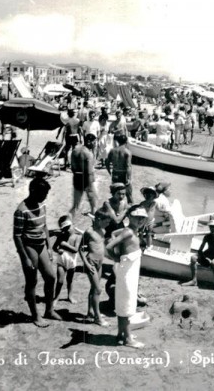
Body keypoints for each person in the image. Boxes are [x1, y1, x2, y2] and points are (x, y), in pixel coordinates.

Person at [13, 177, 60, 327]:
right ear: (33, 191)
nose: (45, 196)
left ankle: (49, 310)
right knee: (32, 281)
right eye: (43, 193)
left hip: (41, 246)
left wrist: (49, 247)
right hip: (29, 247)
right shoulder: (21, 210)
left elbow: (45, 227)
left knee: (51, 278)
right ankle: (35, 315)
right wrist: (25, 258)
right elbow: (17, 236)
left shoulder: (42, 205)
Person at [106, 205, 148, 349]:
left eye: (142, 218)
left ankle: (120, 334)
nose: (140, 220)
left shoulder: (133, 231)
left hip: (130, 271)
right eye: (137, 217)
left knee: (124, 303)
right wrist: (117, 259)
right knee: (127, 305)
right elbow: (108, 247)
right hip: (127, 272)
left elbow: (114, 234)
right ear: (130, 217)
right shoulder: (128, 232)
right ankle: (129, 339)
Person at [78, 207, 111, 326]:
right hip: (90, 262)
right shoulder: (89, 232)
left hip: (99, 263)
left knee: (93, 288)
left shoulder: (102, 231)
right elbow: (80, 249)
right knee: (98, 289)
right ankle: (97, 317)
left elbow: (102, 246)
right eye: (106, 222)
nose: (108, 224)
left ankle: (90, 312)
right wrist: (86, 264)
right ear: (99, 220)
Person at [181, 218, 214, 293]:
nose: (212, 229)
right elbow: (200, 250)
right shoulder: (207, 237)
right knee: (193, 258)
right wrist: (204, 258)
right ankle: (194, 280)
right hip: (207, 254)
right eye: (211, 227)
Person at [52, 215, 82, 304]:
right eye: (65, 228)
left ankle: (70, 296)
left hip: (72, 261)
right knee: (60, 281)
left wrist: (64, 245)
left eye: (69, 227)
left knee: (70, 280)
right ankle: (56, 298)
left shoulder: (77, 237)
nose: (67, 230)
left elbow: (75, 250)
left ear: (72, 225)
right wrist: (58, 250)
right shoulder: (61, 236)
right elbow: (54, 247)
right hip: (62, 260)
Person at [70, 133, 98, 217]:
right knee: (94, 204)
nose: (95, 144)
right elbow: (89, 171)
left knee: (75, 205)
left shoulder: (75, 151)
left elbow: (73, 167)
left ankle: (69, 222)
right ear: (89, 141)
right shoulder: (88, 154)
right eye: (94, 142)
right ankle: (95, 223)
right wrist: (90, 187)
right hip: (87, 180)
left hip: (77, 178)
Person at [105, 133, 133, 204]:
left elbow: (107, 162)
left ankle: (116, 208)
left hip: (115, 173)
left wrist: (109, 171)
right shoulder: (127, 152)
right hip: (123, 174)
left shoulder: (112, 150)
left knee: (115, 192)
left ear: (118, 141)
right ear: (126, 142)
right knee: (129, 194)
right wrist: (129, 178)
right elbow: (128, 166)